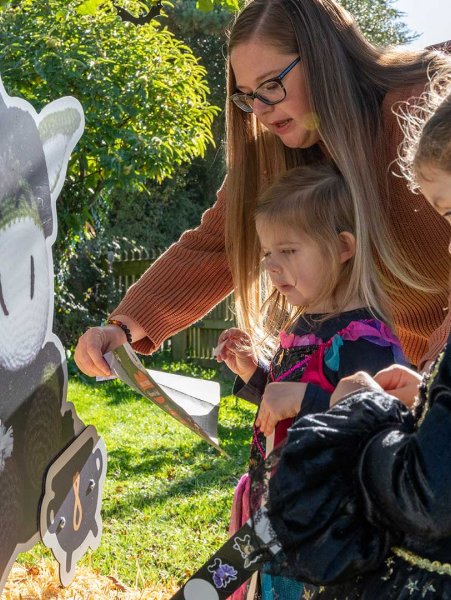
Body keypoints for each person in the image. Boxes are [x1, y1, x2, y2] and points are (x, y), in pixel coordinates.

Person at [75, 0, 451, 380]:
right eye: (247, 95)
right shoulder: (287, 153)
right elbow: (218, 242)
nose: (260, 109)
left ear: (325, 59)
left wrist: (435, 380)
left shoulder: (420, 109)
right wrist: (122, 328)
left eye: (272, 85)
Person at [215, 163, 406, 600]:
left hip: (318, 524)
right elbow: (286, 405)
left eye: (288, 251)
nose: (272, 266)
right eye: (267, 254)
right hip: (273, 506)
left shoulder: (364, 338)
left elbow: (375, 427)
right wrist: (255, 374)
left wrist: (302, 396)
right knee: (243, 589)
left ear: (342, 247)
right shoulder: (305, 326)